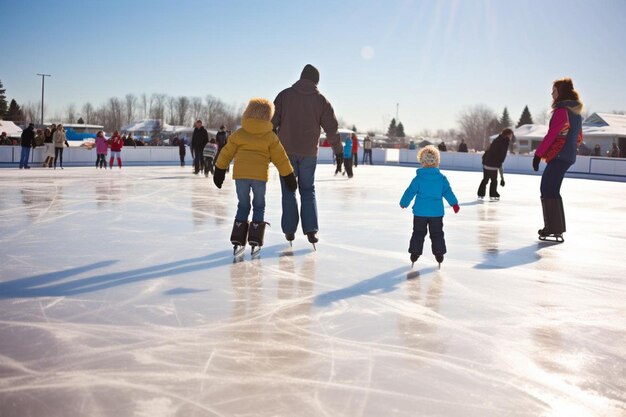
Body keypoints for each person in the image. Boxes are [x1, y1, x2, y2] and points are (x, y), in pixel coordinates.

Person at [271, 64, 343, 245]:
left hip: (285, 152)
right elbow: (332, 129)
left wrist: (271, 146)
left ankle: (289, 230)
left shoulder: (284, 96)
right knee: (307, 190)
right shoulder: (321, 101)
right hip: (309, 153)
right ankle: (311, 230)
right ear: (316, 81)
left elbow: (271, 123)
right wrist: (339, 151)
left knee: (288, 191)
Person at [213, 98, 297, 251]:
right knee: (258, 206)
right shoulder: (270, 136)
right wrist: (289, 175)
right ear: (268, 116)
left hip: (241, 177)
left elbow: (226, 152)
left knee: (243, 205)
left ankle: (238, 237)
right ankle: (255, 238)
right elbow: (281, 158)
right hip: (259, 177)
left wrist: (219, 170)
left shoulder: (239, 134)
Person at [532, 77, 584, 242]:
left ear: (560, 93)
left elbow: (552, 134)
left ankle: (552, 227)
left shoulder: (562, 111)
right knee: (552, 189)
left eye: (554, 90)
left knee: (546, 188)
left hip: (560, 155)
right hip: (568, 155)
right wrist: (570, 150)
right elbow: (579, 137)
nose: (551, 93)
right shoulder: (575, 112)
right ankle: (557, 227)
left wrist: (538, 154)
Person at [400, 145, 459, 267]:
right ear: (437, 161)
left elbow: (410, 191)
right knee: (437, 233)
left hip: (420, 213)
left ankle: (415, 252)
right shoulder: (441, 179)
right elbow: (447, 191)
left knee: (418, 233)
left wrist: (404, 202)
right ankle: (439, 253)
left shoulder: (419, 178)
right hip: (436, 213)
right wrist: (454, 204)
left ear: (422, 161)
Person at [477, 128, 512, 200]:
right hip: (493, 164)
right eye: (511, 135)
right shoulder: (505, 142)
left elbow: (488, 150)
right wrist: (502, 178)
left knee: (485, 179)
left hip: (486, 163)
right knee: (494, 180)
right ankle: (493, 193)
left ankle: (481, 193)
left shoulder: (496, 139)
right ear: (508, 135)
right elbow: (502, 155)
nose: (511, 137)